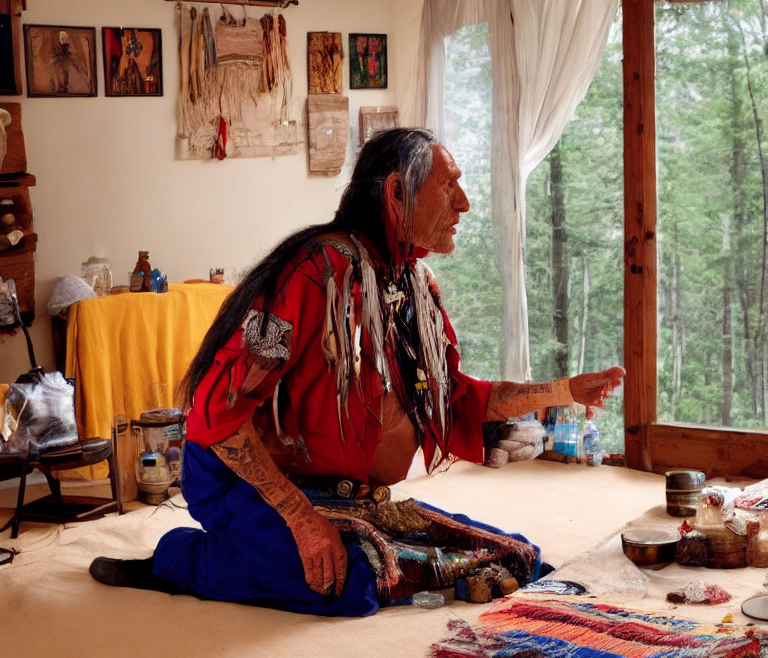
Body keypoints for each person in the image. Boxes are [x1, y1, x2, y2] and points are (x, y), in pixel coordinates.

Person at [90, 128, 623, 615]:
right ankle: (179, 559)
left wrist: (563, 391)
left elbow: (455, 397)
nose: (464, 203)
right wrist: (301, 520)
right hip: (245, 483)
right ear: (396, 194)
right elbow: (216, 408)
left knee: (512, 557)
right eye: (449, 186)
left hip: (346, 491)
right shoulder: (313, 274)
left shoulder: (414, 284)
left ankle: (307, 538)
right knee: (354, 581)